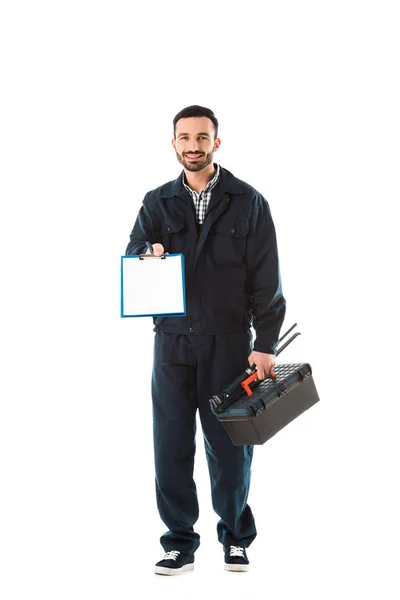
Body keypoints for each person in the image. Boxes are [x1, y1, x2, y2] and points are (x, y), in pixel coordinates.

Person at [125, 105, 286, 575]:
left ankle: (235, 538)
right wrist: (145, 253)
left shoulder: (248, 201)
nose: (192, 145)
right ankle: (179, 542)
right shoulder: (157, 202)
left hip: (231, 343)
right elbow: (131, 254)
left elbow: (267, 281)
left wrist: (266, 342)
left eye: (202, 137)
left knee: (232, 446)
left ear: (217, 142)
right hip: (172, 343)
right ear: (172, 143)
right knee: (170, 444)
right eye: (184, 138)